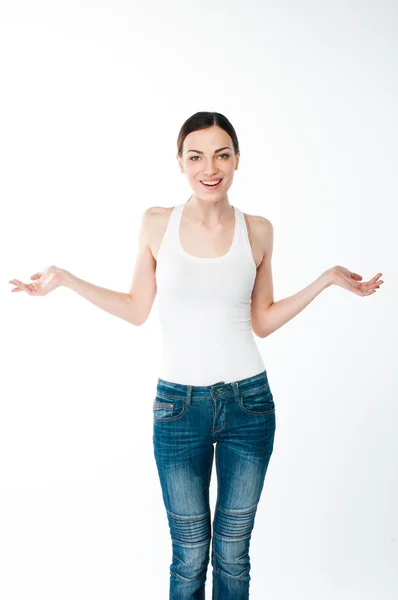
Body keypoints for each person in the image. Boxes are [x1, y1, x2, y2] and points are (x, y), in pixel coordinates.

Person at [8, 111, 384, 599]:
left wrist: (326, 279)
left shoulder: (259, 230)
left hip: (249, 406)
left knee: (233, 552)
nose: (210, 167)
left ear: (237, 160)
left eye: (222, 155)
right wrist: (66, 278)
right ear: (180, 163)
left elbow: (263, 320)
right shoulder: (155, 223)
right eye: (197, 156)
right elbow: (136, 307)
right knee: (189, 555)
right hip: (177, 408)